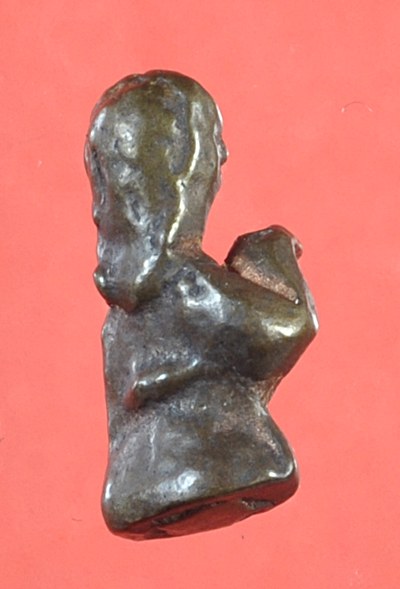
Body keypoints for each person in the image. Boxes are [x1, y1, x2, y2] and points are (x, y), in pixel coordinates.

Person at [85, 71, 318, 540]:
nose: (223, 156)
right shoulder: (188, 283)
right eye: (214, 142)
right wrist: (269, 252)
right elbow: (291, 328)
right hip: (214, 474)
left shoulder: (120, 316)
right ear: (181, 168)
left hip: (136, 491)